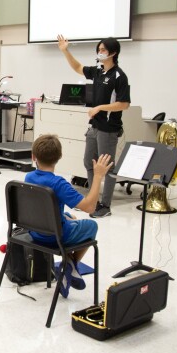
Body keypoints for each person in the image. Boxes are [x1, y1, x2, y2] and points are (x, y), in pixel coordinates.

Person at [25, 133, 113, 289]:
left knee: (69, 216)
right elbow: (90, 207)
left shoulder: (29, 177)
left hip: (35, 231)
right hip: (54, 237)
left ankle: (68, 266)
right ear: (59, 157)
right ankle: (70, 264)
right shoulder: (58, 183)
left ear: (33, 157)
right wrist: (98, 176)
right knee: (91, 226)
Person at [57, 35, 130, 218]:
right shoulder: (98, 71)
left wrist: (100, 108)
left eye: (104, 49)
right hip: (94, 126)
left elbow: (124, 104)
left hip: (108, 128)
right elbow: (78, 67)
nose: (100, 52)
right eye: (99, 49)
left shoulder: (119, 76)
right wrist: (65, 50)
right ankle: (93, 199)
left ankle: (105, 205)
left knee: (107, 167)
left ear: (113, 52)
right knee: (89, 162)